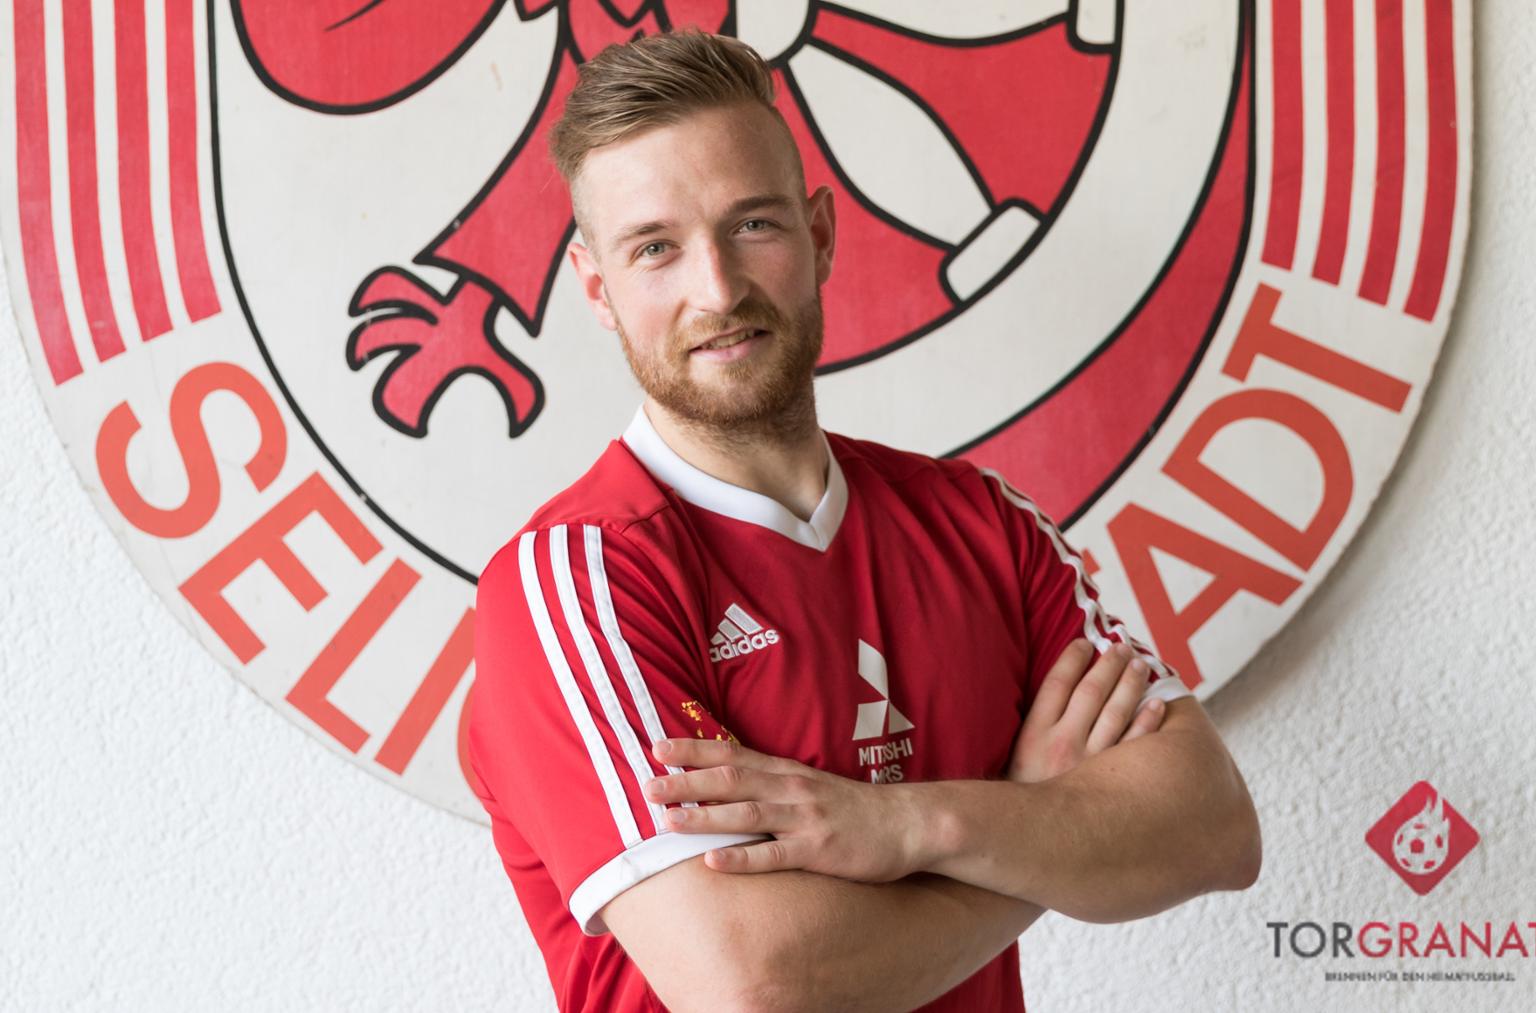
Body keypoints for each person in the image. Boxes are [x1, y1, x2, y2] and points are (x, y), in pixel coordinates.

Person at [468, 28, 1261, 1013]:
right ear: (598, 287)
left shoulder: (984, 524)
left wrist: (915, 825)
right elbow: (754, 984)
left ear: (821, 234)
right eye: (656, 248)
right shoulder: (578, 578)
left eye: (752, 224)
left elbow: (1212, 825)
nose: (717, 288)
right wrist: (1031, 821)